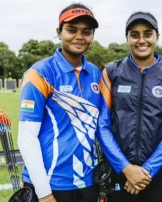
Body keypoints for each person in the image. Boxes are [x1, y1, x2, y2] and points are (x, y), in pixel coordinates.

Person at [97, 11, 162, 202]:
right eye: (135, 34)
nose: (141, 40)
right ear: (127, 38)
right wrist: (125, 167)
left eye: (147, 34)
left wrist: (147, 169)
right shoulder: (111, 72)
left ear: (157, 36)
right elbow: (102, 125)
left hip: (161, 173)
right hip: (120, 172)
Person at [17, 3, 101, 202]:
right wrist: (44, 193)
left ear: (92, 36)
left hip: (88, 182)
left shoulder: (97, 73)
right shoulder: (40, 73)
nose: (79, 36)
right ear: (59, 32)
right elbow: (27, 137)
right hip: (50, 184)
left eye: (86, 31)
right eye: (71, 30)